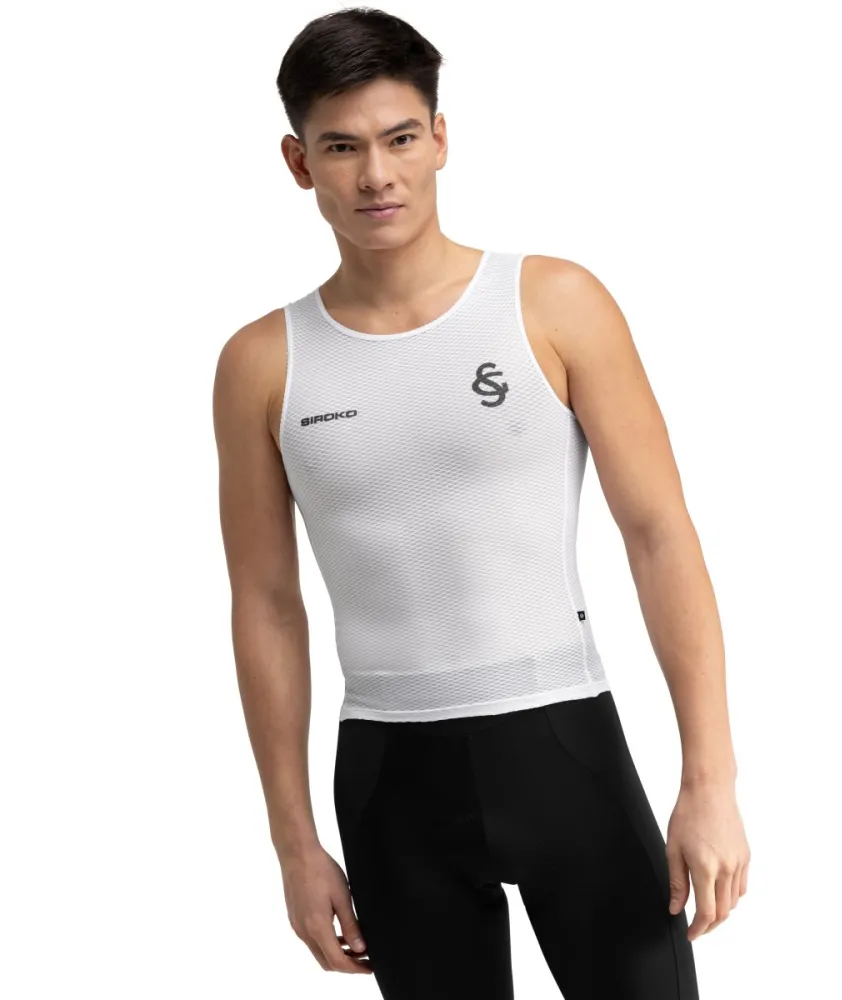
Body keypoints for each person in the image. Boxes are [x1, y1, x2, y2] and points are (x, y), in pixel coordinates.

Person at [213, 8, 749, 998]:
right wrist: (294, 843)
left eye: (399, 138)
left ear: (440, 139)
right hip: (388, 778)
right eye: (342, 147)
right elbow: (267, 605)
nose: (376, 175)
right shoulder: (262, 364)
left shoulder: (551, 302)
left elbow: (659, 535)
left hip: (564, 748)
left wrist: (709, 781)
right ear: (298, 162)